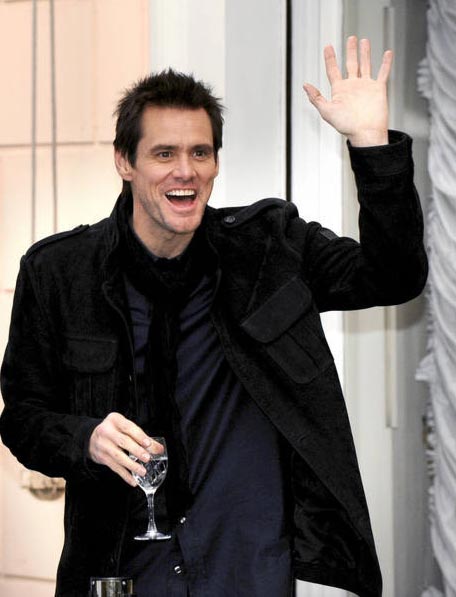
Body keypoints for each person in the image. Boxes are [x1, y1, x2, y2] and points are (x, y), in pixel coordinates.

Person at [0, 36, 427, 597]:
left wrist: (372, 143)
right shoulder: (59, 272)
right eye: (164, 154)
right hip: (123, 573)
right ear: (124, 161)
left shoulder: (270, 248)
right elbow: (23, 418)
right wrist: (86, 439)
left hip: (248, 570)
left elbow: (393, 276)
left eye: (201, 153)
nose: (186, 171)